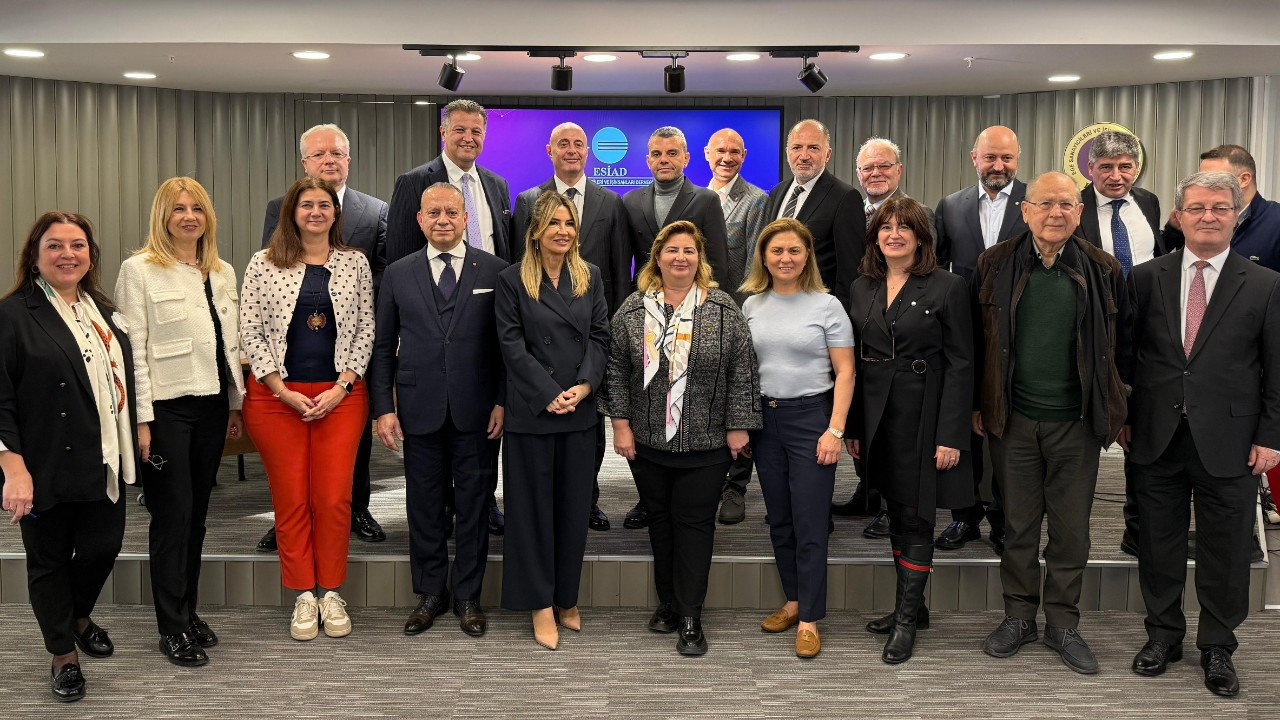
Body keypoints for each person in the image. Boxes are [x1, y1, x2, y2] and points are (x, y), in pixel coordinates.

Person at [1123, 171, 1280, 697]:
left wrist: (1271, 435)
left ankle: (1217, 645)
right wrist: (1124, 418)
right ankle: (1163, 635)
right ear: (1178, 215)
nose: (1208, 216)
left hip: (1232, 440)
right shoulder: (1146, 277)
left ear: (1236, 215)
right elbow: (1129, 358)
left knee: (1227, 550)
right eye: (1197, 208)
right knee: (1158, 545)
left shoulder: (1265, 283)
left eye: (1219, 208)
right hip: (1156, 435)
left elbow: (1276, 369)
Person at [975, 172, 1130, 675]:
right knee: (1017, 526)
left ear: (1079, 211)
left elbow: (1119, 349)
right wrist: (981, 404)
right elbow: (980, 344)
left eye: (1066, 204)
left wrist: (1117, 408)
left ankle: (1062, 623)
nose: (1056, 213)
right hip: (1014, 419)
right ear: (1025, 210)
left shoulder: (1104, 268)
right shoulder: (995, 264)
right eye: (1045, 204)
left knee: (1071, 532)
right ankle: (1018, 617)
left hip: (1076, 424)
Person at [600, 220, 761, 657]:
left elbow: (742, 371)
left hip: (706, 444)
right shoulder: (633, 310)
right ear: (657, 257)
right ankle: (668, 603)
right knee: (661, 524)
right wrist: (620, 423)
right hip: (647, 442)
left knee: (693, 527)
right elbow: (616, 370)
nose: (680, 258)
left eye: (689, 251)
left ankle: (690, 615)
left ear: (700, 259)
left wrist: (738, 424)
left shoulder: (723, 308)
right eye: (672, 250)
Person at [0, 212, 137, 702]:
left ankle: (77, 615)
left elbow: (121, 377)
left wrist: (135, 431)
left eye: (77, 244)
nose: (68, 254)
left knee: (104, 546)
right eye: (55, 245)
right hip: (45, 461)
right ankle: (63, 653)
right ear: (35, 256)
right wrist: (12, 467)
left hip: (104, 456)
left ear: (90, 254)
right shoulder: (14, 313)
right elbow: (1, 399)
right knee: (49, 560)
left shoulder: (102, 308)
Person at [115, 177, 244, 667]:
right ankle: (171, 627)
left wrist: (233, 406)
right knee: (172, 518)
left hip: (212, 406)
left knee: (197, 518)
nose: (189, 216)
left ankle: (187, 612)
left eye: (197, 208)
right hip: (165, 409)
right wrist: (142, 422)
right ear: (162, 217)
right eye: (178, 209)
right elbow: (136, 354)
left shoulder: (222, 271)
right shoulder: (140, 270)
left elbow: (227, 346)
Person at [240, 176, 373, 642]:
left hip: (341, 396)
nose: (315, 211)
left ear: (336, 213)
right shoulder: (263, 263)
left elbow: (366, 331)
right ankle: (302, 594)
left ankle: (331, 591)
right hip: (277, 400)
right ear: (291, 213)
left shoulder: (355, 263)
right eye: (306, 205)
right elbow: (250, 332)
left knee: (333, 499)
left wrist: (341, 386)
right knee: (292, 499)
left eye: (324, 205)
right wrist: (281, 389)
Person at [371, 183, 507, 638]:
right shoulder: (398, 273)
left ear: (466, 217)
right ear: (420, 220)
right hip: (417, 406)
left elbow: (506, 348)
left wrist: (503, 400)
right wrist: (382, 408)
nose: (443, 219)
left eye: (452, 211)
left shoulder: (495, 270)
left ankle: (468, 594)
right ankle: (431, 592)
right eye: (434, 213)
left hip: (478, 409)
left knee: (474, 504)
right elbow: (383, 346)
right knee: (423, 504)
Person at [847, 197, 974, 663]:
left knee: (918, 516)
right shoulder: (862, 286)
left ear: (921, 237)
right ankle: (913, 607)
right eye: (885, 227)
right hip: (879, 418)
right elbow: (856, 364)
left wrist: (951, 435)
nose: (893, 234)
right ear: (875, 236)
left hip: (926, 415)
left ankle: (905, 621)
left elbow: (962, 365)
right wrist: (855, 428)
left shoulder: (948, 286)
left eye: (904, 227)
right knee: (896, 514)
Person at [259, 123, 389, 549]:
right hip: (293, 351)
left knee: (354, 441)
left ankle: (358, 507)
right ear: (305, 163)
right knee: (290, 456)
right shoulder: (279, 206)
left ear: (349, 160)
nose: (329, 159)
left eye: (337, 153)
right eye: (319, 154)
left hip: (350, 349)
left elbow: (383, 277)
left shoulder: (375, 210)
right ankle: (287, 519)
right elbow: (270, 271)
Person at [385, 98, 511, 535]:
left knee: (480, 448)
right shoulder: (414, 182)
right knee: (432, 472)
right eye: (459, 130)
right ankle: (443, 513)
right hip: (430, 321)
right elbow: (401, 254)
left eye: (476, 131)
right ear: (444, 132)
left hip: (484, 317)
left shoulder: (496, 184)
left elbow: (504, 256)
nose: (468, 138)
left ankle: (482, 507)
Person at [495, 191, 609, 651]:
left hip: (579, 412)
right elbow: (511, 345)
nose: (562, 230)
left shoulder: (591, 276)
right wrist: (548, 394)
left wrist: (583, 387)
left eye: (569, 222)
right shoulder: (511, 280)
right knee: (530, 514)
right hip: (532, 412)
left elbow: (599, 336)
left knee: (571, 510)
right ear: (536, 230)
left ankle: (566, 597)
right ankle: (540, 603)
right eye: (553, 222)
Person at [739, 218, 854, 659]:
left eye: (794, 251)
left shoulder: (826, 305)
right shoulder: (751, 305)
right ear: (763, 257)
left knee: (809, 523)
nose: (785, 259)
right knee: (780, 519)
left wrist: (835, 429)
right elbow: (747, 372)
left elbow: (845, 372)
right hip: (766, 423)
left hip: (812, 421)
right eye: (776, 251)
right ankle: (792, 600)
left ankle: (810, 618)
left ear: (807, 256)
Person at [512, 122, 633, 532]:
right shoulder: (528, 200)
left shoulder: (610, 202)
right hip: (539, 339)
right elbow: (519, 273)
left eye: (579, 144)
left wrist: (607, 342)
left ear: (589, 151)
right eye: (563, 143)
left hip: (588, 336)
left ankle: (588, 500)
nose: (572, 150)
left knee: (589, 432)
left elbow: (619, 271)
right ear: (549, 150)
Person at [619, 126, 733, 530]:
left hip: (694, 312)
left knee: (690, 400)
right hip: (647, 314)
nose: (664, 160)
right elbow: (624, 264)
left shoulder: (705, 200)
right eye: (656, 154)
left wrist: (715, 315)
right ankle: (647, 498)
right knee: (647, 401)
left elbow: (717, 259)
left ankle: (697, 488)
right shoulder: (630, 201)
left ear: (686, 158)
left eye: (672, 153)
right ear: (647, 160)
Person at [932, 125, 1026, 554]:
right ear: (975, 158)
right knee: (962, 428)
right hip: (965, 333)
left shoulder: (1035, 202)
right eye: (991, 157)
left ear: (1017, 158)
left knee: (1012, 433)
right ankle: (964, 517)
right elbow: (936, 268)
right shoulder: (951, 206)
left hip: (1021, 334)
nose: (998, 166)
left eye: (1006, 158)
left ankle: (1007, 521)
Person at [832, 136, 935, 530]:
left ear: (899, 170)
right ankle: (868, 489)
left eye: (884, 166)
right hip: (860, 321)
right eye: (867, 168)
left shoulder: (918, 214)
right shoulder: (849, 210)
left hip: (903, 331)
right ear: (858, 173)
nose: (875, 173)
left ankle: (892, 503)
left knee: (896, 423)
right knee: (863, 413)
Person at [1073, 130, 1165, 557]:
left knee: (1144, 426)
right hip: (1098, 329)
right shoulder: (1075, 207)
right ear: (1090, 169)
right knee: (1100, 418)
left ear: (1135, 168)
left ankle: (1137, 526)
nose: (1116, 175)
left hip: (1151, 329)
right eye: (1106, 167)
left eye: (1124, 166)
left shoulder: (1147, 202)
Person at [704, 127, 770, 526]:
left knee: (739, 401)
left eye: (734, 152)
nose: (726, 158)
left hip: (737, 315)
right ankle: (709, 478)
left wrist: (739, 317)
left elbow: (753, 266)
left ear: (744, 155)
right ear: (707, 154)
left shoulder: (756, 199)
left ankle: (736, 486)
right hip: (698, 314)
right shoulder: (696, 196)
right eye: (720, 151)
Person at [764, 119, 864, 309]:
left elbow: (850, 271)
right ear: (787, 153)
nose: (803, 155)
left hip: (818, 311)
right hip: (774, 303)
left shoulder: (845, 197)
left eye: (813, 148)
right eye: (796, 147)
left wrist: (841, 320)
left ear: (827, 154)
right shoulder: (777, 192)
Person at [1163, 145, 1280, 271]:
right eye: (1202, 179)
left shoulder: (1276, 222)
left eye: (1215, 179)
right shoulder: (1195, 217)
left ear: (1244, 179)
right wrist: (1173, 232)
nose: (1204, 186)